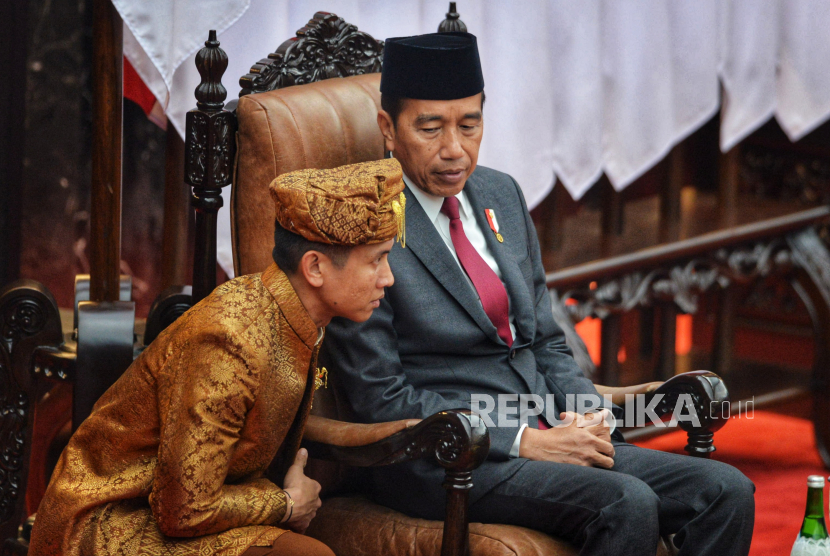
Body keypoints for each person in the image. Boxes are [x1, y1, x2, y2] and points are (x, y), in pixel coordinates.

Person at [321, 33, 756, 556]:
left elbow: (545, 340)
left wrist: (583, 416)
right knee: (625, 502)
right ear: (389, 129)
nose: (454, 149)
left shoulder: (500, 193)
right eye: (430, 128)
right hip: (449, 452)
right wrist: (526, 440)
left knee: (725, 491)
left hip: (548, 424)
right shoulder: (363, 222)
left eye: (470, 124)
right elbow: (381, 397)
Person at [30, 159, 405, 556]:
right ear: (314, 267)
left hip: (179, 510)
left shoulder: (299, 315)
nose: (388, 278)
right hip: (112, 522)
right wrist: (287, 503)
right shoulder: (230, 341)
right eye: (375, 260)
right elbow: (183, 510)